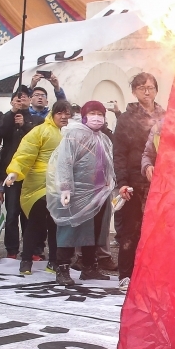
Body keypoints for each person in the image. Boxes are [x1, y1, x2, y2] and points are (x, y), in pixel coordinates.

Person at [46, 101, 115, 285]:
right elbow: (65, 162)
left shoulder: (103, 138)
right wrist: (66, 187)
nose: (97, 117)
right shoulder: (74, 135)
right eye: (93, 113)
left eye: (100, 114)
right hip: (77, 193)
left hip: (98, 194)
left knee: (93, 232)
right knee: (70, 230)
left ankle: (90, 267)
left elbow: (108, 164)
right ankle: (62, 268)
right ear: (84, 115)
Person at [4, 100, 70, 275]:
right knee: (34, 223)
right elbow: (25, 153)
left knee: (55, 224)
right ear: (53, 114)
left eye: (67, 113)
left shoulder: (68, 134)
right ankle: (26, 260)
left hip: (58, 185)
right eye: (60, 113)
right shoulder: (40, 131)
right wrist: (14, 172)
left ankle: (54, 261)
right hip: (38, 184)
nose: (63, 117)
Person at [113, 72, 165, 292]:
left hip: (158, 181)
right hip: (134, 179)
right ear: (134, 91)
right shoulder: (127, 118)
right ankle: (126, 274)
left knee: (154, 230)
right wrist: (122, 182)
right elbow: (120, 153)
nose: (147, 91)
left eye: (151, 87)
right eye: (142, 88)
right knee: (130, 230)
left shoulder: (165, 117)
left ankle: (151, 273)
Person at [0, 88, 39, 258]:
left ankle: (33, 249)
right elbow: (0, 132)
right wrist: (12, 113)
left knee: (30, 213)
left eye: (25, 98)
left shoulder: (37, 119)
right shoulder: (7, 117)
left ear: (30, 99)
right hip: (11, 173)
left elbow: (38, 137)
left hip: (31, 173)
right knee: (12, 213)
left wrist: (25, 125)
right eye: (17, 99)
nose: (21, 101)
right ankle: (11, 249)